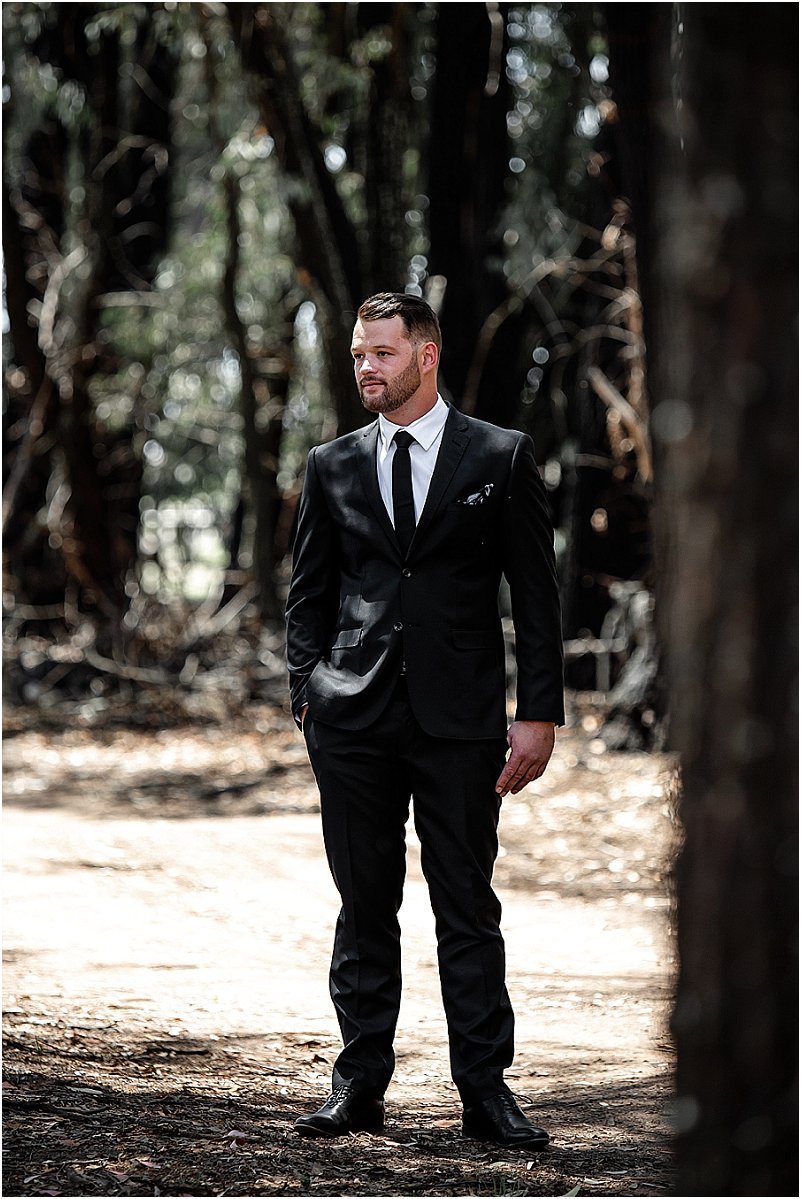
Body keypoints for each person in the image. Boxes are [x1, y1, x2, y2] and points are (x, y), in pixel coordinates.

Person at [285, 292, 564, 1148]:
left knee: (465, 906)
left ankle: (484, 1090)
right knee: (363, 905)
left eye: (381, 352)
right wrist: (307, 692)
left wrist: (538, 712)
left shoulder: (500, 455)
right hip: (352, 717)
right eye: (357, 354)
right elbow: (307, 593)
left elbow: (536, 596)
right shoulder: (331, 463)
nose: (365, 367)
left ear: (426, 355)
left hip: (461, 721)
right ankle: (357, 1085)